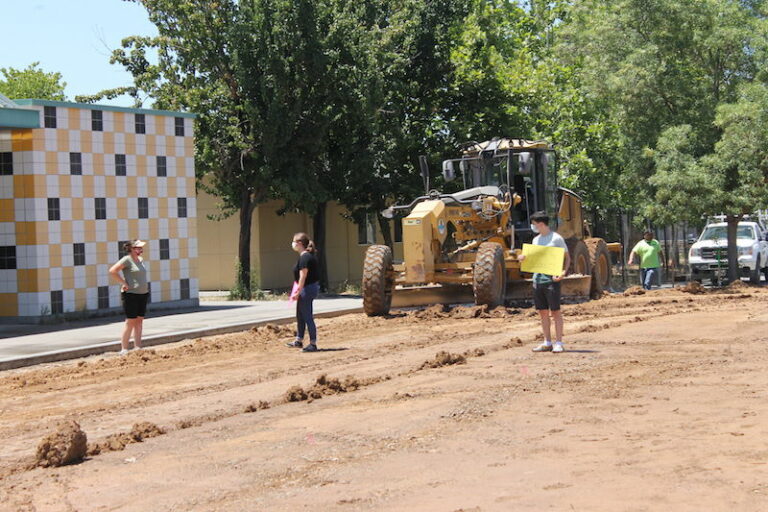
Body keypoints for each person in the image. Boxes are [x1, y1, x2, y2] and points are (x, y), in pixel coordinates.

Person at [518, 211, 571, 354]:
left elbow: (567, 258)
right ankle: (547, 342)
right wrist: (524, 258)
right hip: (538, 280)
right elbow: (533, 258)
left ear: (541, 224)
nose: (533, 227)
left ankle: (559, 342)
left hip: (552, 280)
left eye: (534, 224)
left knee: (555, 311)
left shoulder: (556, 239)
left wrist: (563, 272)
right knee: (542, 312)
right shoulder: (536, 240)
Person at [109, 240, 149, 355]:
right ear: (132, 248)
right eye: (138, 247)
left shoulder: (141, 260)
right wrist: (124, 283)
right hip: (131, 294)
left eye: (141, 248)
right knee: (130, 321)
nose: (141, 249)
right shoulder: (127, 259)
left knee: (139, 320)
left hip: (143, 293)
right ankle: (124, 348)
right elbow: (113, 271)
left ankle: (138, 347)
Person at [285, 232, 321, 353]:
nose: (293, 244)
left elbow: (303, 276)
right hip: (307, 288)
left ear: (299, 243)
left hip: (307, 289)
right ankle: (299, 340)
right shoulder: (305, 256)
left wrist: (297, 291)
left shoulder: (305, 257)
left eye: (294, 241)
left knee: (307, 316)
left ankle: (313, 343)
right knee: (300, 315)